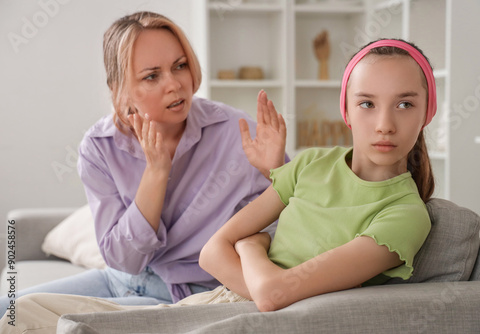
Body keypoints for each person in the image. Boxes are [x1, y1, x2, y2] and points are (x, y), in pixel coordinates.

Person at [0, 38, 436, 332]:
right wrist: (254, 254)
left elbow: (272, 292)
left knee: (59, 325)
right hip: (205, 298)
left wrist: (249, 247)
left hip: (228, 313)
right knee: (20, 308)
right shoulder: (314, 164)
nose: (384, 124)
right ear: (346, 109)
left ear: (428, 112)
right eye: (367, 103)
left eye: (404, 104)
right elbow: (214, 251)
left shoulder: (405, 215)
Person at [0, 11, 287, 317]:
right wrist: (157, 172)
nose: (175, 84)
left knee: (61, 322)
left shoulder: (237, 131)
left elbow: (297, 218)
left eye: (180, 66)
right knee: (8, 309)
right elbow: (124, 261)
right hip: (122, 279)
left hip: (193, 294)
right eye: (152, 76)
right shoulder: (100, 147)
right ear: (120, 88)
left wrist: (275, 174)